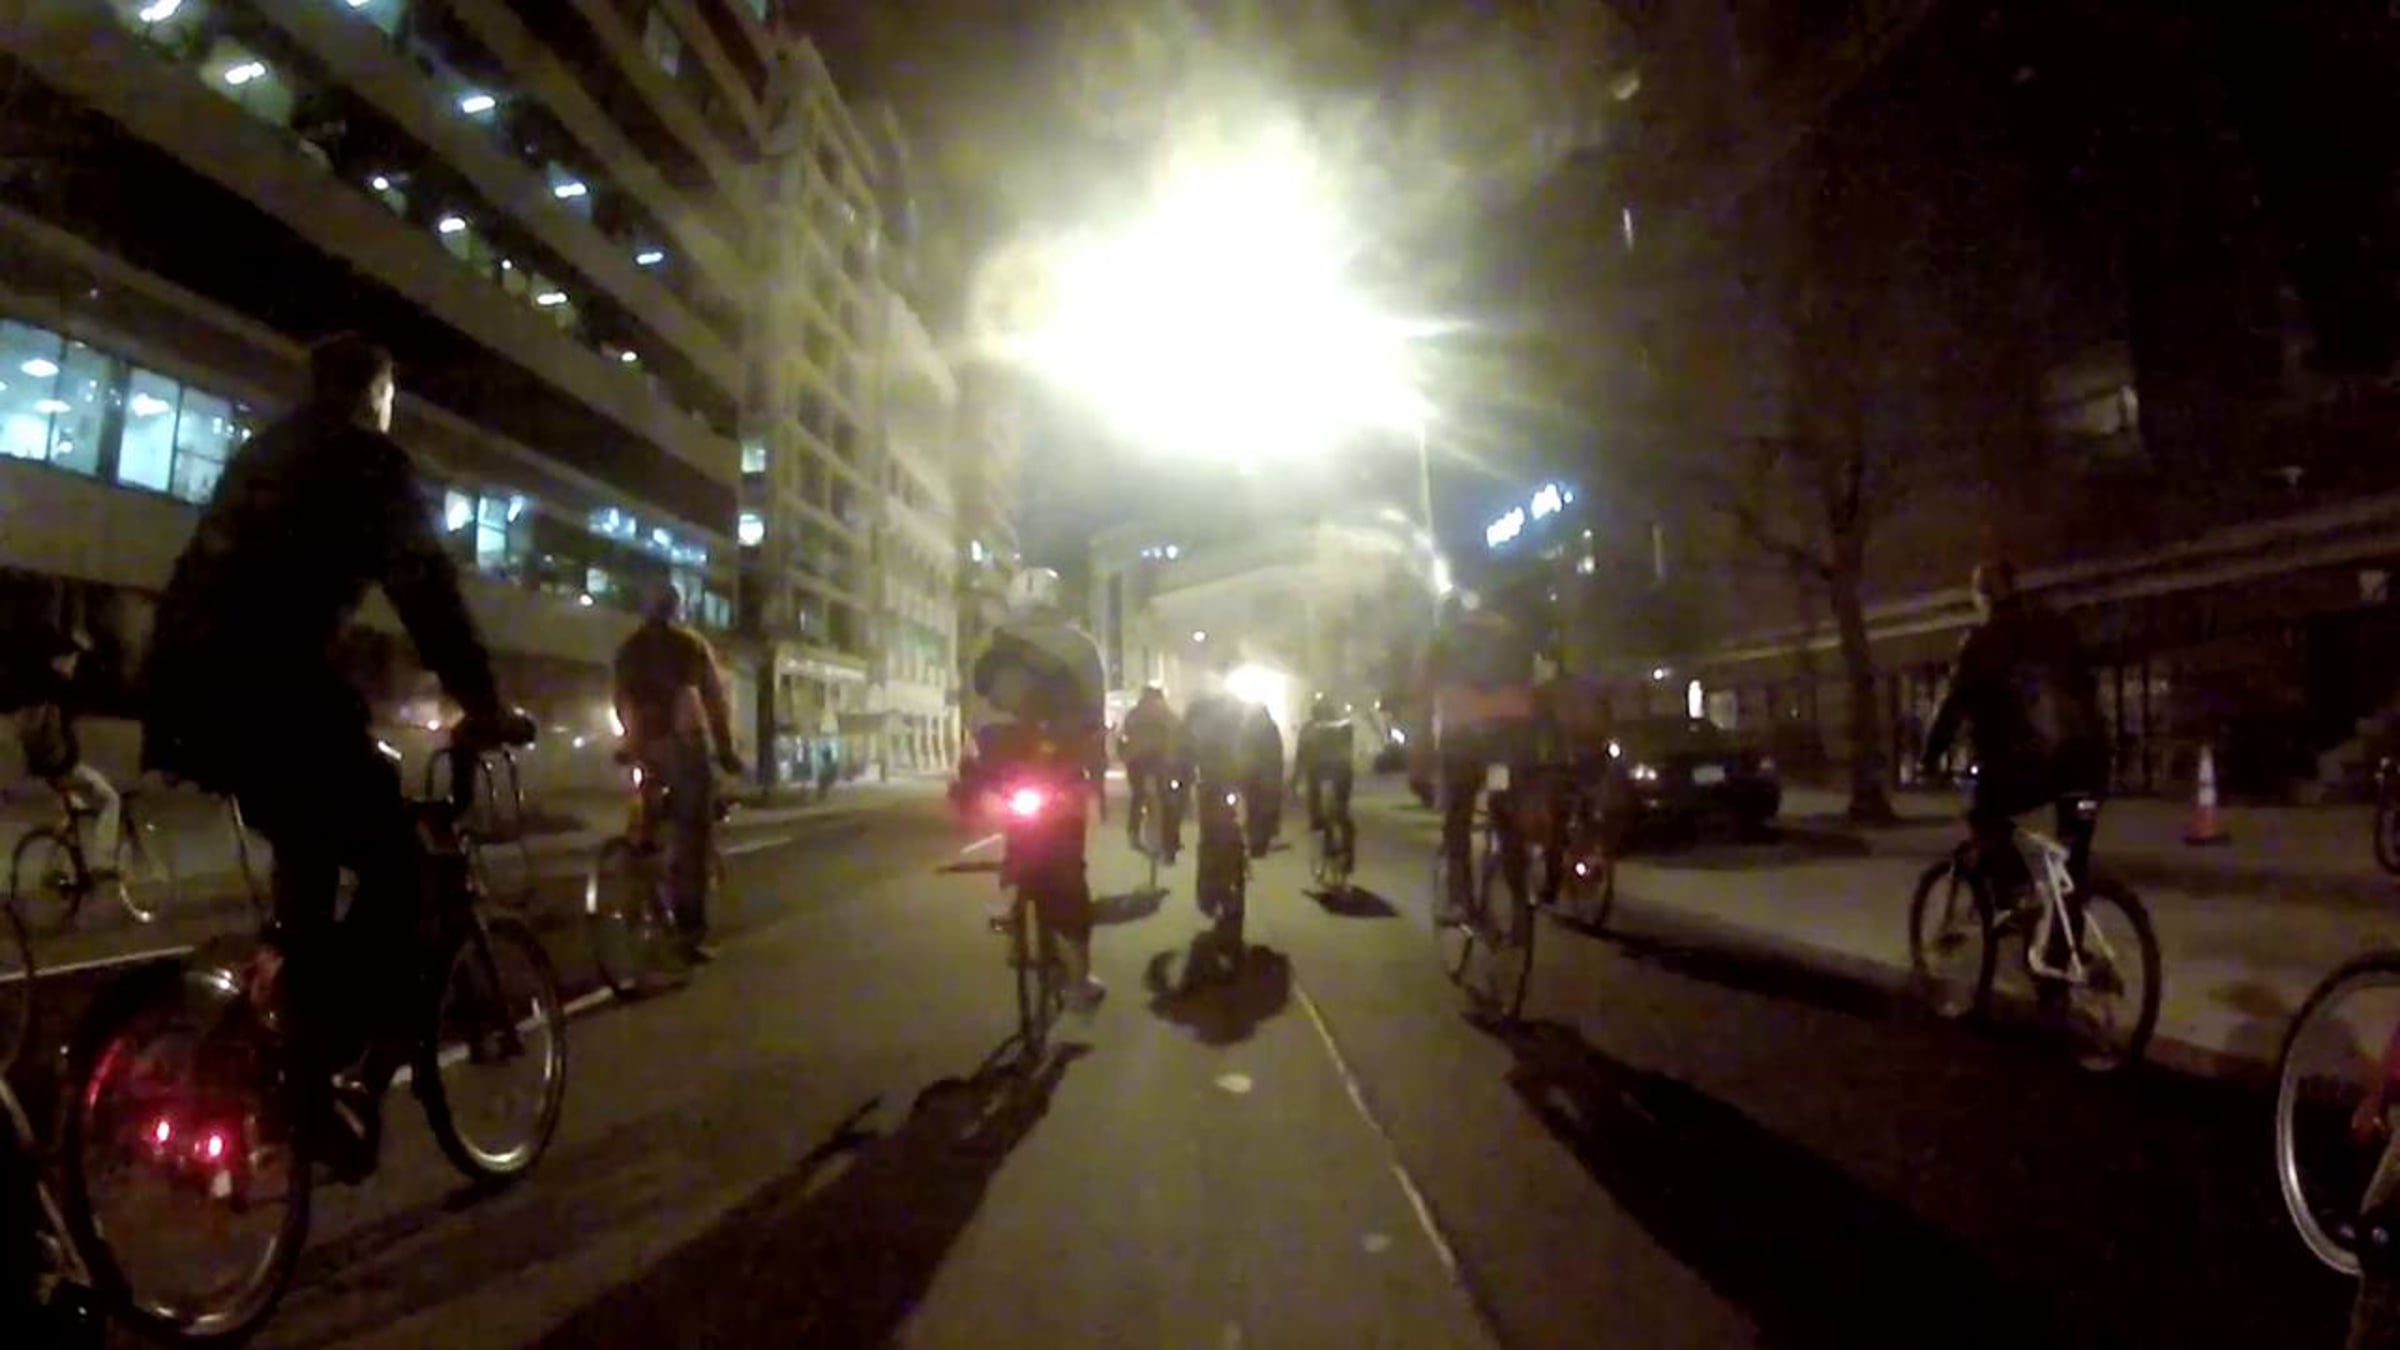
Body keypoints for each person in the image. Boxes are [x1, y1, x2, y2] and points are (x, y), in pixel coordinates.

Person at [143, 333, 533, 1181]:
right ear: (376, 394)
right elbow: (428, 594)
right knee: (400, 869)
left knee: (311, 848)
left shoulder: (267, 452)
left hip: (188, 694)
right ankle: (311, 1075)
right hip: (268, 685)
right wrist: (485, 703)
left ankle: (285, 1027)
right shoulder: (367, 461)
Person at [1918, 559, 2109, 909]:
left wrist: (1928, 758)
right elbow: (2086, 685)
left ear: (1982, 597)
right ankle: (2066, 936)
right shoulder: (2056, 628)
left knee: (1984, 814)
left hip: (2033, 766)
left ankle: (2018, 897)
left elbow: (1952, 705)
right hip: (2088, 764)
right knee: (2072, 867)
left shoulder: (1981, 642)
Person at [968, 565, 1108, 1009]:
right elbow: (1095, 714)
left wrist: (986, 761)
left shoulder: (991, 642)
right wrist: (1092, 768)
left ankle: (1010, 899)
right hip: (1059, 763)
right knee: (1068, 867)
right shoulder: (1082, 646)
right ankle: (1079, 981)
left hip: (1005, 760)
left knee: (1017, 826)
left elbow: (974, 707)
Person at [612, 581, 744, 963]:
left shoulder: (629, 649)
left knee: (644, 818)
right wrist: (726, 751)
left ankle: (634, 880)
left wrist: (630, 743)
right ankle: (688, 934)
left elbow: (619, 698)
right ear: (677, 609)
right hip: (683, 748)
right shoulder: (690, 645)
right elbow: (714, 701)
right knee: (692, 836)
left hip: (642, 744)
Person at [1421, 590, 1541, 923]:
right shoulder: (1507, 633)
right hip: (1510, 737)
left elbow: (1424, 696)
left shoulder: (1442, 641)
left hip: (1465, 741)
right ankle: (1521, 900)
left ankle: (1460, 901)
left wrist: (1421, 757)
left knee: (1457, 818)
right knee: (1506, 815)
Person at [12, 626, 119, 882]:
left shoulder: (41, 685)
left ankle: (53, 869)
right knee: (110, 799)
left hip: (47, 767)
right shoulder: (60, 687)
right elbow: (93, 687)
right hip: (62, 766)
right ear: (58, 660)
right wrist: (87, 650)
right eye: (71, 659)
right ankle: (103, 862)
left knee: (71, 815)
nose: (74, 664)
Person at [1118, 685, 1184, 860]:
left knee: (1138, 796)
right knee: (1167, 798)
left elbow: (1124, 735)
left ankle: (1133, 832)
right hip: (1159, 761)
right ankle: (1170, 840)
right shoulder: (1166, 714)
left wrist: (1125, 755)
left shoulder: (1134, 714)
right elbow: (1177, 731)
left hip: (1136, 761)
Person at [1291, 693, 1356, 867]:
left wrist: (1294, 780)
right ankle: (1348, 851)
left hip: (1320, 773)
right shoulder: (1343, 726)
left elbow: (1301, 756)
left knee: (1317, 810)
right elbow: (1348, 750)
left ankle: (1327, 843)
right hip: (1341, 773)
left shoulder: (1308, 729)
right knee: (1341, 812)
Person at [1240, 699, 1286, 858]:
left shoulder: (1246, 728)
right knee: (1264, 810)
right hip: (1265, 776)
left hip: (1251, 775)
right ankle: (1262, 842)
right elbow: (1276, 752)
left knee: (1253, 810)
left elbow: (1241, 751)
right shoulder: (1270, 728)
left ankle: (1255, 842)